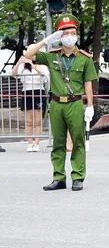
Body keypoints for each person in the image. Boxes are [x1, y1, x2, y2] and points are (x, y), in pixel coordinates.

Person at [18, 16, 97, 191]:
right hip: (55, 104)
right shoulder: (51, 55)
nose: (70, 36)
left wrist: (90, 105)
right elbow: (28, 54)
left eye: (73, 33)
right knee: (58, 142)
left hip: (75, 103)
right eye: (66, 33)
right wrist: (45, 41)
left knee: (77, 142)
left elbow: (88, 83)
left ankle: (77, 176)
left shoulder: (85, 58)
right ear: (60, 37)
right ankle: (59, 177)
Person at [12, 56, 48, 152]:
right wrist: (18, 63)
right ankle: (30, 142)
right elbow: (14, 74)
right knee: (28, 121)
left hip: (38, 91)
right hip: (27, 90)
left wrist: (33, 65)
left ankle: (36, 143)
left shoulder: (42, 65)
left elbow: (45, 77)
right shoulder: (23, 66)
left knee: (38, 121)